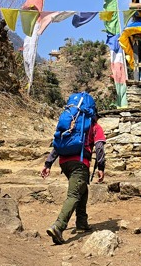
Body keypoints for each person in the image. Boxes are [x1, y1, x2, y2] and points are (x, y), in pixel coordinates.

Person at [40, 105, 106, 245]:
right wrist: (101, 167)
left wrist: (48, 164)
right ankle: (58, 226)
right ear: (94, 115)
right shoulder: (95, 127)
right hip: (80, 163)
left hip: (64, 163)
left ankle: (82, 223)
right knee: (74, 194)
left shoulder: (73, 124)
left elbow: (59, 144)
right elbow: (99, 147)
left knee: (82, 190)